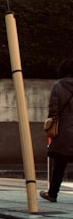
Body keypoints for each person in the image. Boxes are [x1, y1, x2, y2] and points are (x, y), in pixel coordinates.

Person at [41, 57, 73, 202]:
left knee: (59, 164)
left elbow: (53, 110)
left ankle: (52, 194)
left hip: (63, 130)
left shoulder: (58, 86)